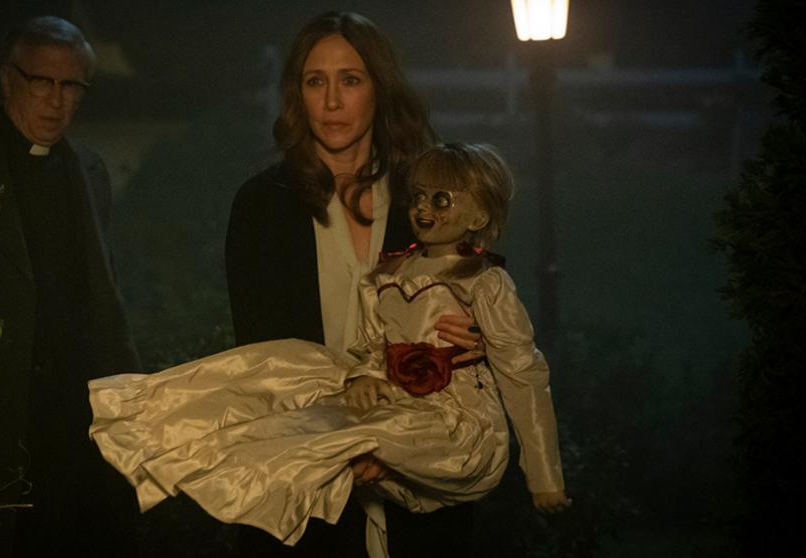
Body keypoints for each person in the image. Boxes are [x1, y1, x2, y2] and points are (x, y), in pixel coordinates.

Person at [89, 143, 569, 558]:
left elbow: (522, 372)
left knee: (355, 430)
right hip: (400, 406)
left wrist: (544, 474)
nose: (424, 208)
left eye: (440, 200)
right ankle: (172, 428)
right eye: (419, 196)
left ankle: (345, 455)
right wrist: (366, 374)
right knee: (296, 365)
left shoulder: (484, 284)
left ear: (479, 216)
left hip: (457, 425)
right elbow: (371, 343)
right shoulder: (389, 275)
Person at [224, 12, 481, 556]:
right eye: (315, 81)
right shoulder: (263, 204)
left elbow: (469, 320)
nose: (332, 100)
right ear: (297, 95)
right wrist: (350, 439)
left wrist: (475, 340)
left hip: (419, 472)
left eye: (350, 79)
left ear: (379, 88)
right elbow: (265, 353)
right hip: (303, 471)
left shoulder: (429, 197)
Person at [0, 15, 140, 557]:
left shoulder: (89, 170)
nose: (56, 100)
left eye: (71, 85)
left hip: (75, 422)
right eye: (42, 82)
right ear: (9, 79)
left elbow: (102, 294)